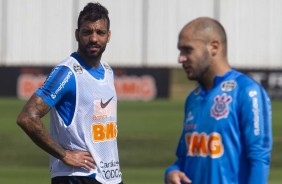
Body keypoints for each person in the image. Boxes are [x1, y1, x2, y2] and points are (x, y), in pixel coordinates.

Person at [17, 2, 123, 184]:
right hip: (78, 176)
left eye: (100, 32)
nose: (94, 38)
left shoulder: (107, 70)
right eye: (87, 32)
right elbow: (27, 117)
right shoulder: (67, 72)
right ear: (77, 34)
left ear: (109, 36)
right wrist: (64, 154)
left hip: (109, 177)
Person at [165, 17, 272, 184]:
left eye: (187, 50)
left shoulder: (247, 91)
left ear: (214, 47)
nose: (181, 58)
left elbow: (259, 159)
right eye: (180, 51)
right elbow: (184, 158)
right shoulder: (192, 99)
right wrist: (172, 172)